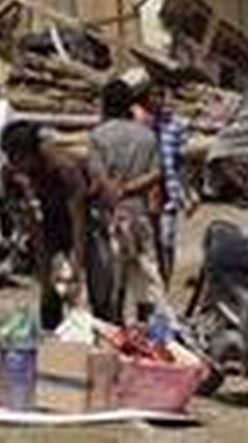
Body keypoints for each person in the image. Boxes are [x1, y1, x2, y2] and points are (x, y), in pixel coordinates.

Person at [88, 79, 171, 325]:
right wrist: (130, 189)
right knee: (146, 278)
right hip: (140, 213)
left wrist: (115, 191)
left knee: (114, 281)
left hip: (110, 215)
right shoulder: (147, 136)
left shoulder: (98, 136)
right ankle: (147, 332)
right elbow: (157, 173)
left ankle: (115, 334)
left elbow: (98, 174)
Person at [0, 119, 91, 331]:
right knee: (49, 290)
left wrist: (78, 257)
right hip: (46, 226)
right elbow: (28, 215)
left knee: (79, 289)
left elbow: (79, 217)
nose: (14, 163)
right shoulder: (15, 172)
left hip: (76, 224)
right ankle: (51, 336)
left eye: (18, 158)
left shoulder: (65, 169)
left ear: (32, 153)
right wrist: (42, 262)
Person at [145, 84, 189, 288]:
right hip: (143, 192)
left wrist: (186, 191)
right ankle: (153, 284)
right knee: (148, 244)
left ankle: (166, 281)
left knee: (166, 240)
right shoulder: (141, 124)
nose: (156, 100)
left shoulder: (176, 125)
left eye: (159, 95)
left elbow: (184, 162)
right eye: (152, 95)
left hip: (168, 192)